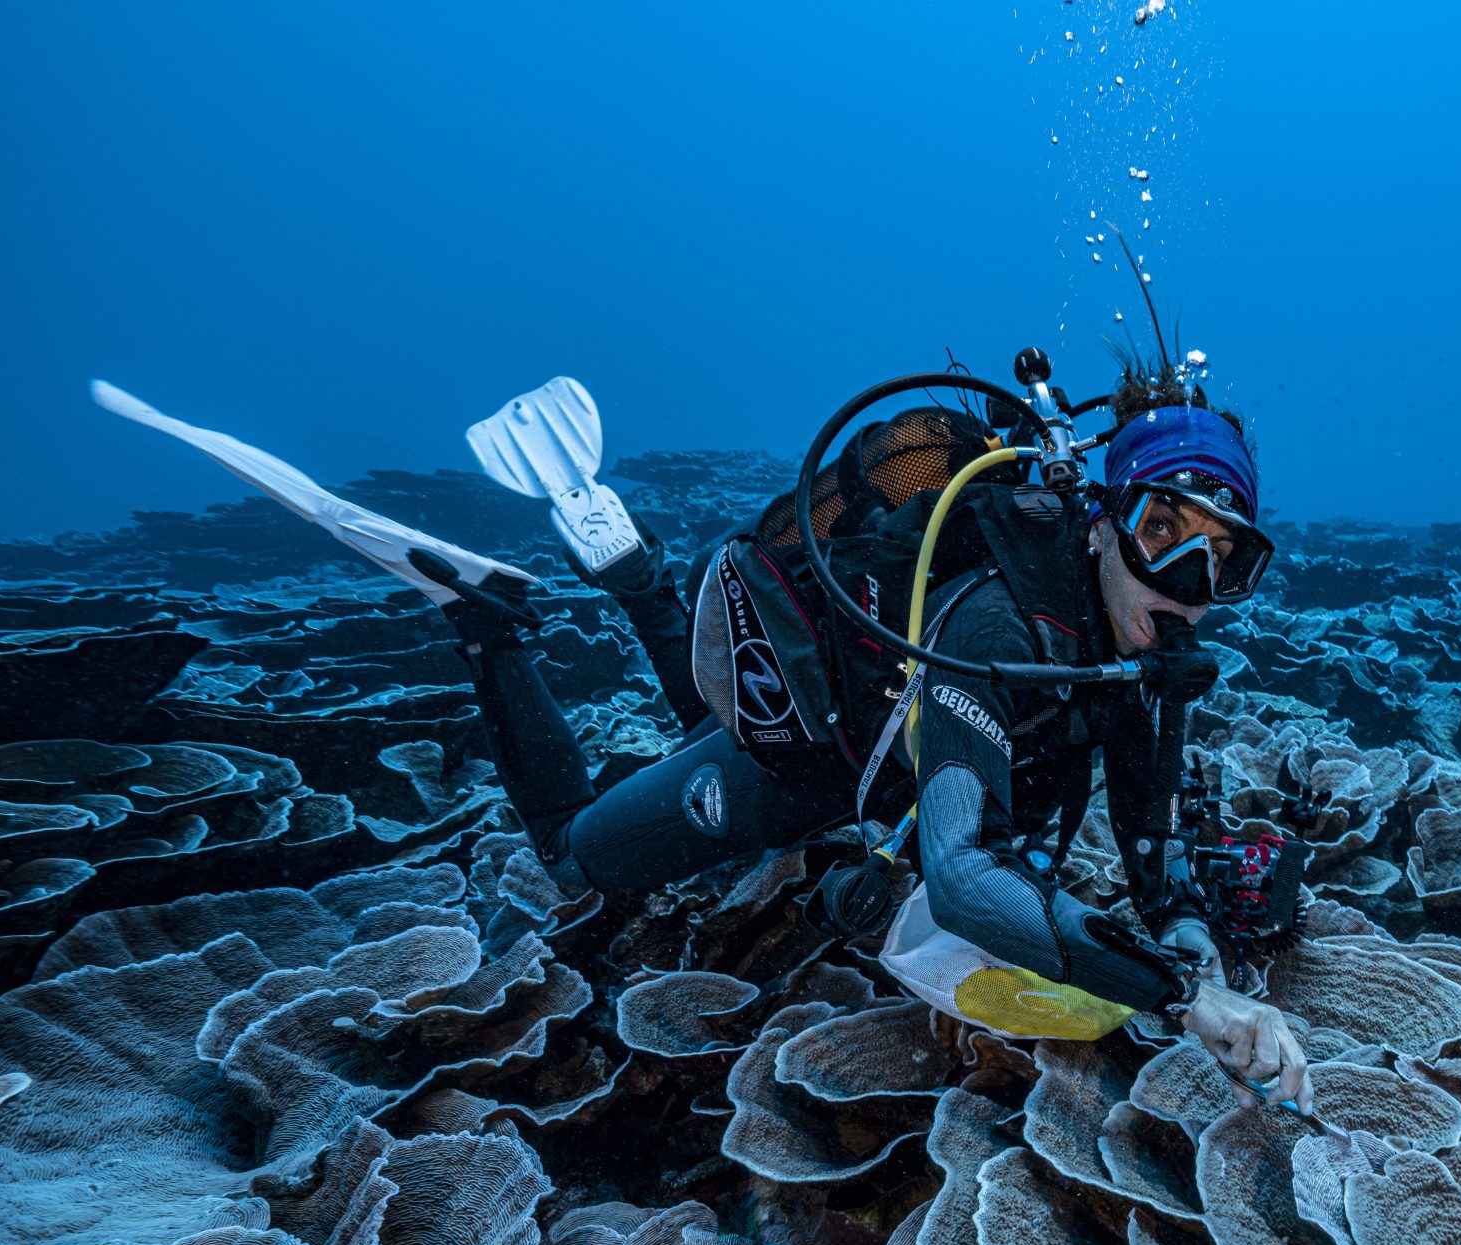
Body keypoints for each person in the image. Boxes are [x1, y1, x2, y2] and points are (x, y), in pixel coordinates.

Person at [423, 364, 1313, 1113]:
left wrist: (1211, 975)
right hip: (810, 761)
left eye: (1222, 558)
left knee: (702, 723)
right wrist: (1187, 997)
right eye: (1162, 530)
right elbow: (964, 880)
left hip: (880, 771)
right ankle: (485, 622)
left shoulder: (1144, 662)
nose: (1187, 581)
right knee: (575, 856)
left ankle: (640, 578)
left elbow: (1159, 874)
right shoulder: (1000, 628)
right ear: (1103, 520)